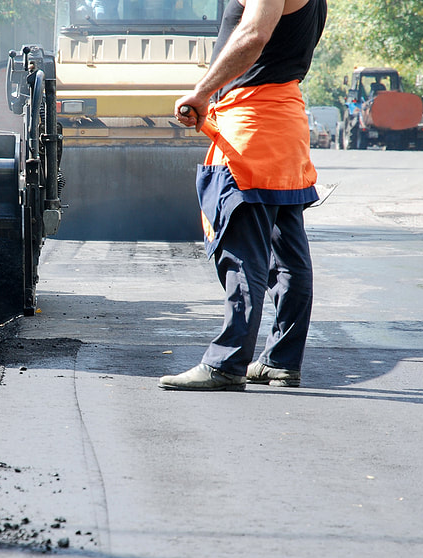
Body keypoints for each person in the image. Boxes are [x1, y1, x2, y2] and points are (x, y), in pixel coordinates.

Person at [159, 0, 327, 391]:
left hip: (253, 128)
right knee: (288, 254)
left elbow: (254, 34)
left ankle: (226, 364)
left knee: (242, 253)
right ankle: (281, 362)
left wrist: (202, 92)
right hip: (284, 125)